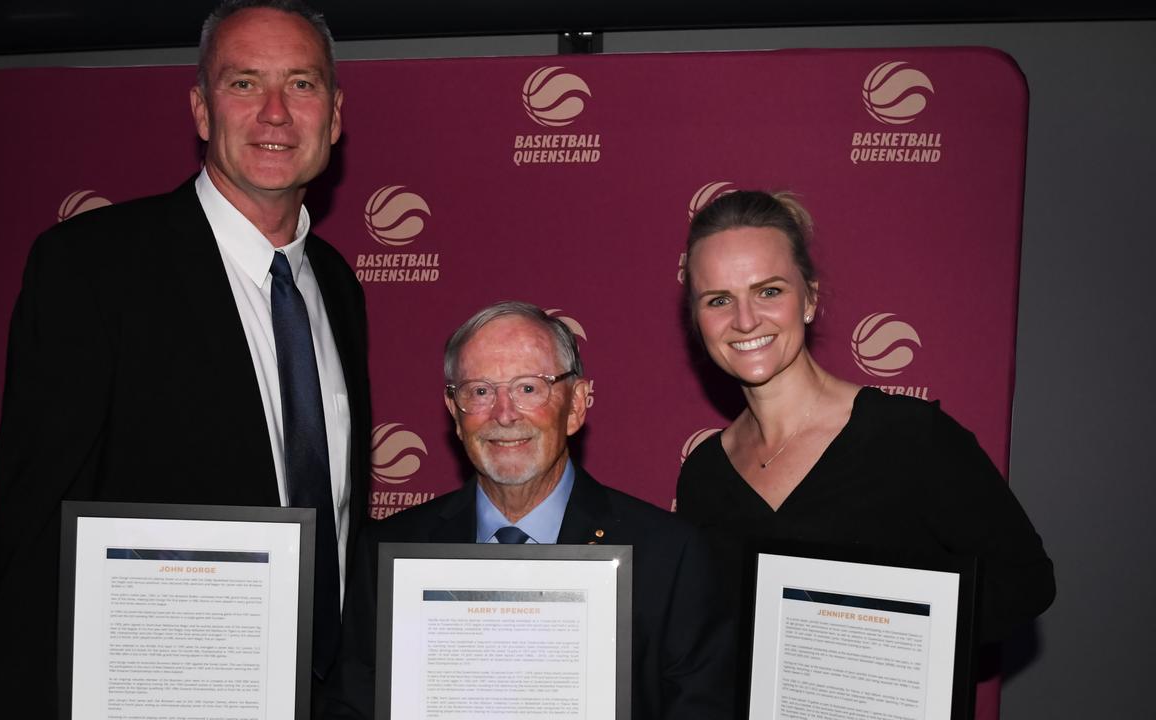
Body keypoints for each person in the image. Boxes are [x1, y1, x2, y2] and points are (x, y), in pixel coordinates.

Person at [0, 1, 369, 716]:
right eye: (244, 83)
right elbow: (29, 538)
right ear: (200, 109)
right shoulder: (92, 269)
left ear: (335, 117)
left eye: (302, 85)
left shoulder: (335, 285)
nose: (276, 113)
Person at [676, 191, 1054, 651]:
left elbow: (1025, 580)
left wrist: (894, 654)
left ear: (809, 299)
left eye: (769, 291)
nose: (745, 320)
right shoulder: (705, 475)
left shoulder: (910, 437)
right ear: (697, 320)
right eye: (718, 300)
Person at [326, 301, 735, 720]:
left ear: (576, 405)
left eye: (528, 388)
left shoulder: (669, 556)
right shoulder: (390, 552)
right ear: (454, 411)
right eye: (480, 391)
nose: (503, 414)